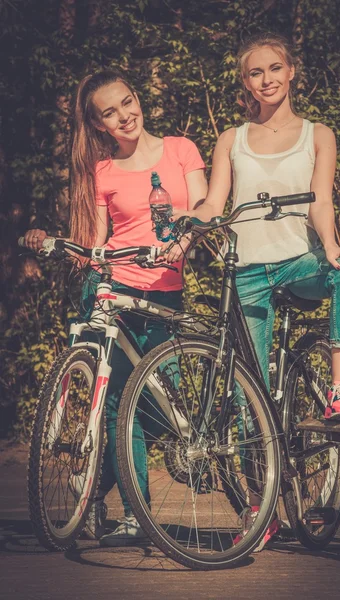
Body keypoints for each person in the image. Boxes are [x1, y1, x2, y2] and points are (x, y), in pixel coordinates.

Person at [172, 33, 340, 549]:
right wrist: (187, 225)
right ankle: (262, 509)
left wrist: (330, 245)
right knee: (245, 400)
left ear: (291, 71)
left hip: (298, 263)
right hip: (247, 272)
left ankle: (339, 394)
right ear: (246, 82)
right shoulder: (232, 139)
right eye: (256, 74)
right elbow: (215, 201)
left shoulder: (317, 133)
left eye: (275, 69)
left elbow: (321, 200)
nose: (267, 80)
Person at [23, 69, 207, 546]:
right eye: (110, 112)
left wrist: (185, 241)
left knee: (152, 411)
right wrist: (54, 243)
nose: (124, 116)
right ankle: (135, 516)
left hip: (165, 292)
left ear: (138, 98)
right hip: (115, 287)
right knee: (117, 406)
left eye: (127, 102)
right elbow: (98, 242)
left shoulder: (181, 149)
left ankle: (94, 491)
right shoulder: (101, 171)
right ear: (99, 124)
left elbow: (204, 206)